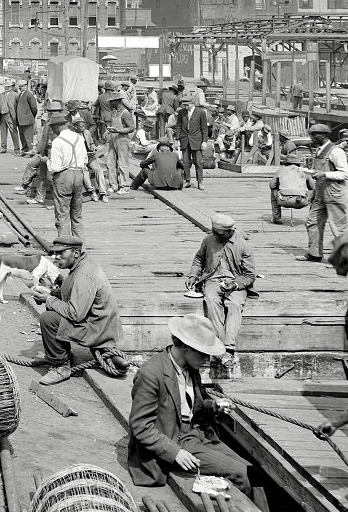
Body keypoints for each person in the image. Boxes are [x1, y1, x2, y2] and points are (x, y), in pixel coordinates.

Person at [127, 314, 270, 508]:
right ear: (185, 347)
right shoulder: (151, 374)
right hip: (175, 441)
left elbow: (194, 406)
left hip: (198, 436)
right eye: (203, 353)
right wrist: (174, 452)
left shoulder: (190, 368)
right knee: (242, 474)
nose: (207, 359)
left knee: (256, 473)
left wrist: (214, 405)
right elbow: (140, 426)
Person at [31, 236, 124, 385]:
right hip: (97, 323)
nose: (55, 257)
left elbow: (75, 313)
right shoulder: (82, 265)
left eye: (61, 253)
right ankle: (67, 354)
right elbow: (71, 295)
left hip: (98, 329)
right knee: (53, 306)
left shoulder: (83, 274)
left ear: (76, 253)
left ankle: (61, 367)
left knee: (48, 319)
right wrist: (51, 294)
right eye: (55, 253)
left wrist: (48, 299)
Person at [186, 213, 257, 368]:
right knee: (211, 300)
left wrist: (235, 285)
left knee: (235, 304)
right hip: (213, 279)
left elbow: (250, 275)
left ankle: (228, 348)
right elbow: (199, 259)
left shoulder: (243, 245)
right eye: (214, 233)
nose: (216, 236)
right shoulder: (208, 240)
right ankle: (218, 345)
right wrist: (193, 275)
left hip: (236, 281)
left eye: (220, 234)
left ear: (230, 231)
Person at [300, 122, 348, 263]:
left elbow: (345, 174)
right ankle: (314, 254)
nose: (312, 138)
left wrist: (324, 174)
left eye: (314, 135)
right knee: (312, 222)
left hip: (335, 195)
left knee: (339, 228)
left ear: (323, 135)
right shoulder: (319, 150)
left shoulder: (336, 151)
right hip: (320, 194)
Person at [47, 114, 88, 239]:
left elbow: (55, 166)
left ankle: (65, 247)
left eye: (52, 128)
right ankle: (80, 247)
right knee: (77, 216)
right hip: (79, 175)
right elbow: (85, 159)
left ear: (57, 126)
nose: (52, 131)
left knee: (62, 214)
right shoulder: (79, 138)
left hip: (64, 177)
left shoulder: (57, 141)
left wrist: (46, 161)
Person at [174, 93, 208, 190]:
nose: (185, 106)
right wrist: (177, 139)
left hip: (197, 140)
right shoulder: (181, 112)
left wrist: (204, 141)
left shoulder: (201, 112)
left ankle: (200, 181)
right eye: (184, 105)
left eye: (187, 104)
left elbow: (204, 128)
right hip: (185, 140)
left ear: (192, 103)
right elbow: (178, 126)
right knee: (185, 162)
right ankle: (187, 180)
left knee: (198, 162)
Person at [105, 92, 135, 194]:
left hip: (122, 139)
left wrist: (119, 131)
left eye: (111, 101)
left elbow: (131, 127)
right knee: (110, 163)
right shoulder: (114, 112)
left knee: (122, 163)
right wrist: (108, 131)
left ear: (117, 101)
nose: (110, 103)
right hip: (113, 139)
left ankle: (124, 186)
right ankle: (113, 185)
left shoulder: (125, 113)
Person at [270, 153, 313, 224]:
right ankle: (312, 219)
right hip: (301, 201)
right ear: (298, 163)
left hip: (283, 200)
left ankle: (276, 217)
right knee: (315, 192)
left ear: (286, 163)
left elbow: (272, 185)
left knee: (273, 190)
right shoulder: (304, 171)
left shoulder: (280, 170)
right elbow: (312, 186)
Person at [14, 80, 39, 155]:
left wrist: (31, 116)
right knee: (22, 137)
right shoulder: (20, 94)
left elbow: (34, 108)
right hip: (21, 120)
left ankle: (30, 152)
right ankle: (24, 150)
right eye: (19, 86)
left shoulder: (29, 95)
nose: (20, 88)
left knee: (28, 138)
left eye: (21, 86)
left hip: (27, 120)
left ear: (25, 86)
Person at [0, 80, 17, 154]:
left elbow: (17, 106)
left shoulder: (15, 95)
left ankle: (17, 149)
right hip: (2, 115)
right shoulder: (1, 95)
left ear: (11, 87)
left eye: (8, 86)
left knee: (13, 132)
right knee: (3, 132)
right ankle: (3, 148)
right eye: (5, 86)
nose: (7, 88)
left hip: (10, 115)